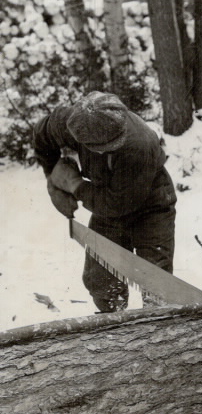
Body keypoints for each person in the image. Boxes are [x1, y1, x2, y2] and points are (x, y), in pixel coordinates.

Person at [33, 91, 177, 312]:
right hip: (107, 201)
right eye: (108, 145)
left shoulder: (139, 146)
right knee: (100, 280)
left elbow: (116, 203)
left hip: (151, 205)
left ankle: (158, 326)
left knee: (156, 282)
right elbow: (42, 137)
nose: (116, 144)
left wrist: (74, 185)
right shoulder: (69, 123)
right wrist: (53, 177)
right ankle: (112, 328)